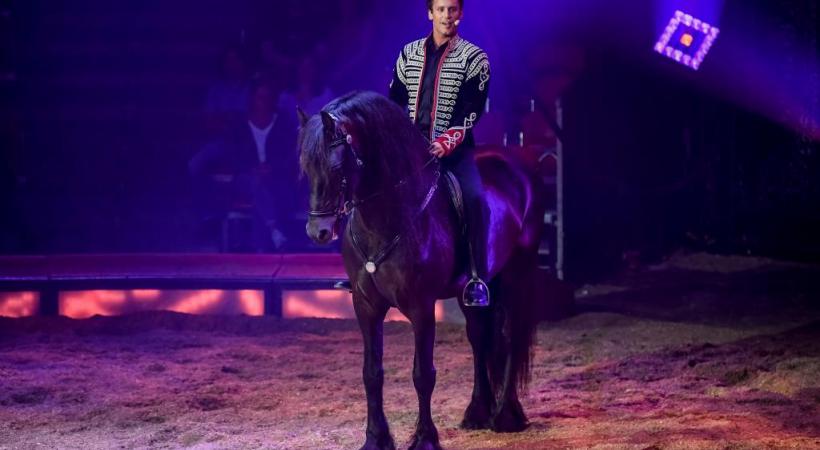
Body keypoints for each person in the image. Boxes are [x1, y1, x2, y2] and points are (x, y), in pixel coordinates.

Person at [389, 0, 492, 306]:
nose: (447, 15)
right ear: (429, 13)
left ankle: (477, 277)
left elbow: (473, 110)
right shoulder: (407, 54)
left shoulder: (475, 58)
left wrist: (447, 141)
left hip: (454, 151)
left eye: (453, 9)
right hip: (409, 152)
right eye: (441, 9)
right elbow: (393, 102)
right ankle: (365, 271)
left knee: (474, 198)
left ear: (460, 14)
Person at [190, 75, 298, 251]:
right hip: (245, 179)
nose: (263, 102)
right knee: (254, 183)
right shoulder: (239, 125)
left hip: (276, 180)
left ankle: (262, 248)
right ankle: (274, 231)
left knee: (261, 196)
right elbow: (233, 156)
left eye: (267, 98)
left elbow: (291, 155)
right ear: (252, 99)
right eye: (259, 97)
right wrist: (252, 169)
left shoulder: (283, 123)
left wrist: (272, 168)